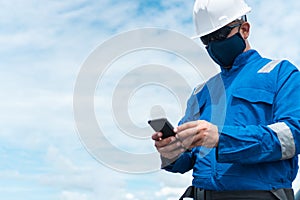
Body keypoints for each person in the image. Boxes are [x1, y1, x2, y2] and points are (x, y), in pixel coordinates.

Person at [152, 0, 300, 199]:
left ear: (244, 29)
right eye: (207, 39)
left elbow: (294, 135)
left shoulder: (281, 73)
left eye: (220, 35)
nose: (214, 44)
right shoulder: (201, 92)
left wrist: (222, 138)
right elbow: (184, 161)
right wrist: (171, 151)